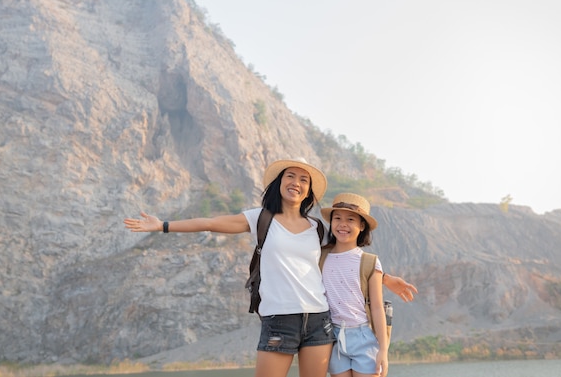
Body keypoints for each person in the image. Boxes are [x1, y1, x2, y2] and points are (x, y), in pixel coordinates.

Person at [124, 158, 417, 377]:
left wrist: (386, 278)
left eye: (304, 180)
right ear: (279, 182)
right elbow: (210, 223)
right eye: (291, 176)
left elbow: (345, 256)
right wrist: (162, 225)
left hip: (319, 320)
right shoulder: (259, 219)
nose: (297, 182)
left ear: (309, 192)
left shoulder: (317, 227)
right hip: (279, 320)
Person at [320, 193, 389, 377]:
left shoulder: (370, 262)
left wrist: (383, 349)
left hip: (363, 337)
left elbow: (376, 307)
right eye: (338, 218)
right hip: (333, 337)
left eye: (350, 219)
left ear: (362, 225)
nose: (343, 224)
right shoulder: (320, 256)